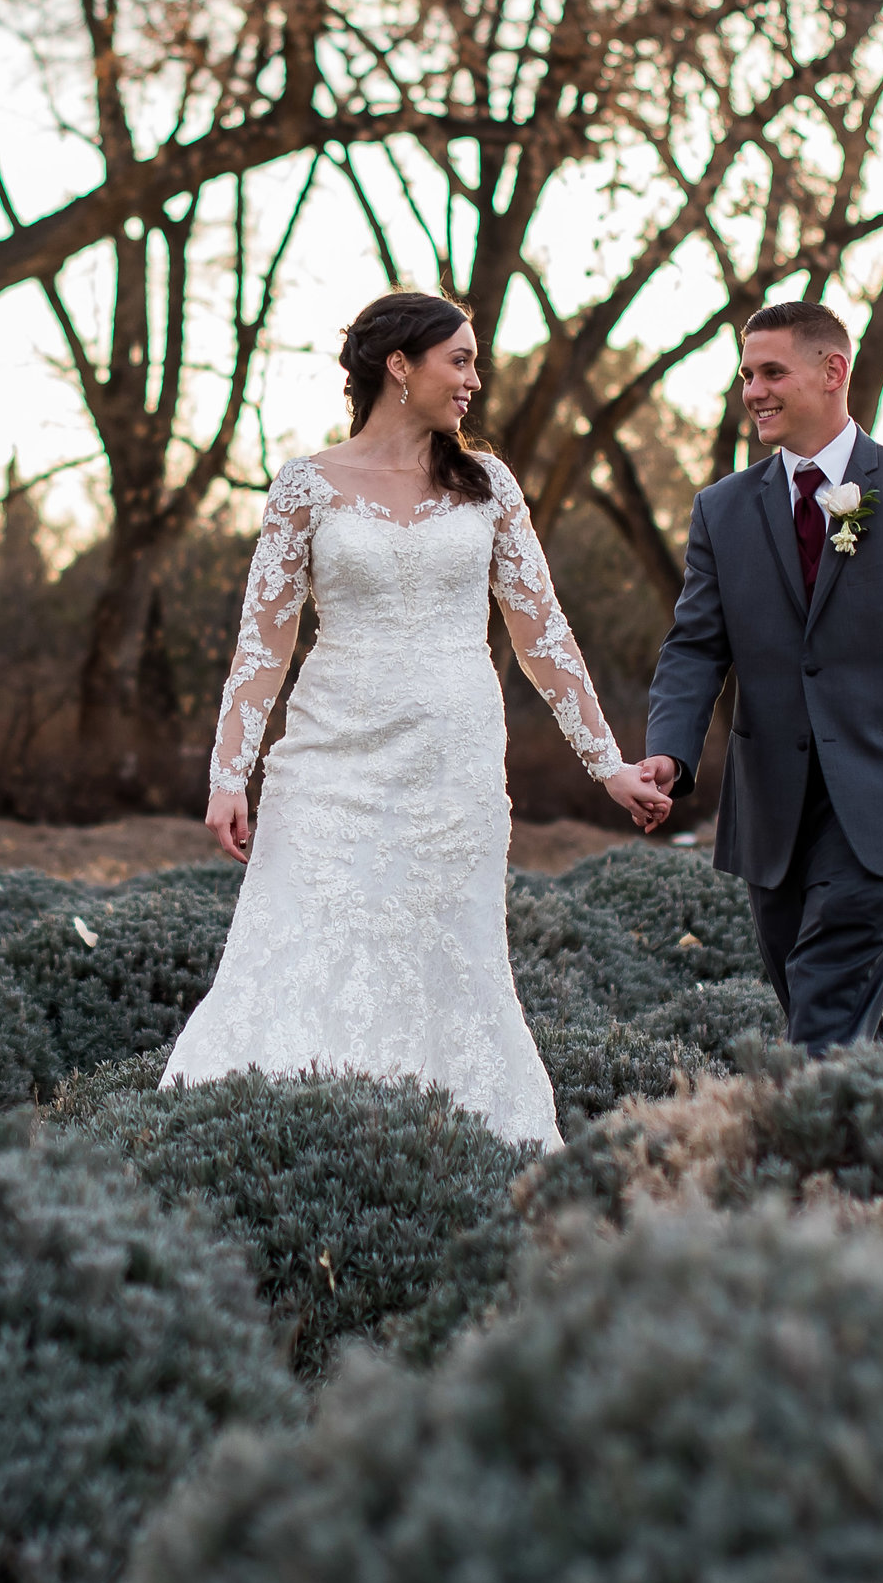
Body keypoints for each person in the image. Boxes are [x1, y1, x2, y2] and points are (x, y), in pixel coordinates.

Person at [167, 291, 673, 1147]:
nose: (475, 379)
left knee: (453, 962)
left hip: (454, 770)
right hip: (330, 764)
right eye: (461, 359)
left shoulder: (489, 487)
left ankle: (456, 1158)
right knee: (299, 946)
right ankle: (270, 1145)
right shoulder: (306, 486)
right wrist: (229, 772)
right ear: (399, 366)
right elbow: (264, 643)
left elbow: (542, 632)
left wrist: (609, 764)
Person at [640, 301, 883, 1050]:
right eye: (747, 374)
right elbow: (694, 646)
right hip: (772, 809)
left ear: (832, 371)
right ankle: (877, 1152)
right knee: (829, 1016)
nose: (753, 390)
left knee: (822, 1003)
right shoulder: (723, 509)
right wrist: (670, 750)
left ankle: (788, 1161)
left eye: (772, 371)